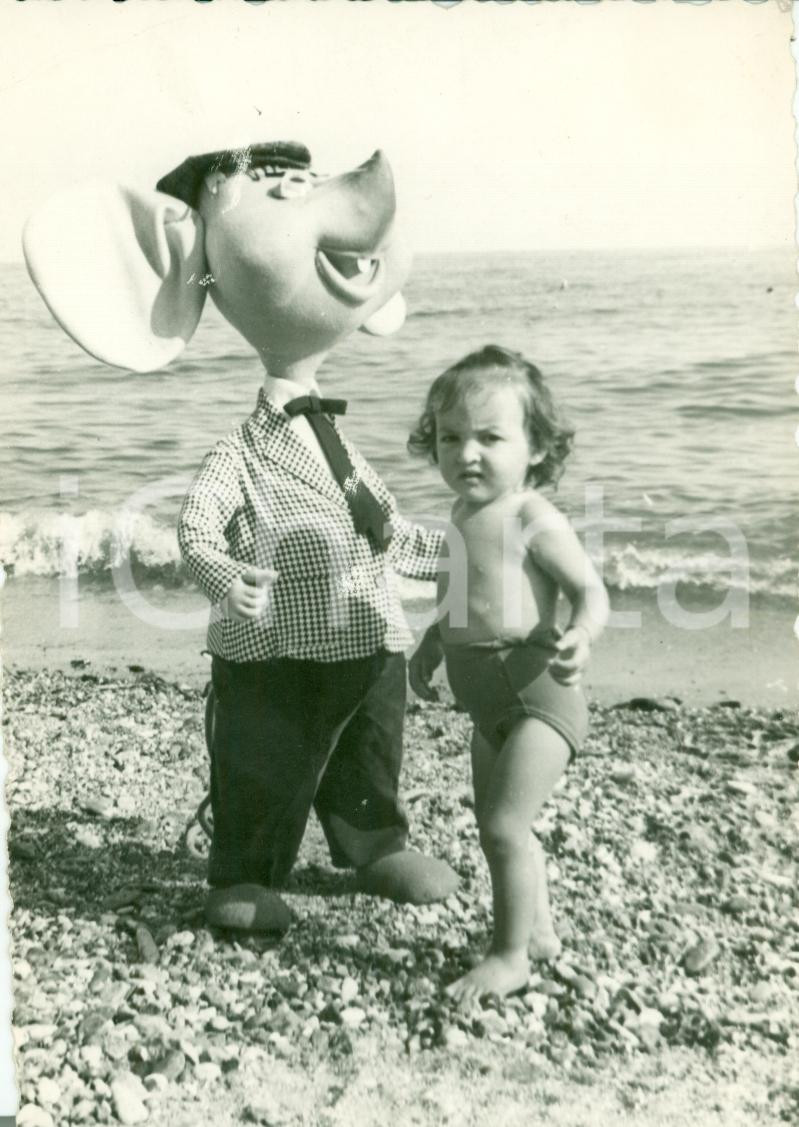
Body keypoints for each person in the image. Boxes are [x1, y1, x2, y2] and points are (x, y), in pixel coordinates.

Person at [407, 345, 609, 1004]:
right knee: (499, 825)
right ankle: (539, 931)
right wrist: (431, 645)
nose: (467, 452)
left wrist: (580, 633)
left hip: (537, 692)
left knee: (502, 827)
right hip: (484, 703)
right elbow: (460, 598)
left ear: (537, 449)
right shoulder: (461, 516)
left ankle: (509, 955)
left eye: (490, 437)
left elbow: (590, 590)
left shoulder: (529, 516)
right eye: (450, 437)